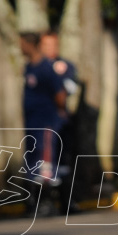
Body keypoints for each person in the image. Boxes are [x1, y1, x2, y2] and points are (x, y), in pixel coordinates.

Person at [20, 31, 67, 214]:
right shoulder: (29, 67)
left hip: (46, 123)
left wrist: (59, 112)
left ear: (30, 45)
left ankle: (48, 200)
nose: (20, 48)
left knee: (46, 162)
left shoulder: (47, 68)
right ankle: (32, 200)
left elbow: (60, 94)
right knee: (32, 161)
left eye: (22, 44)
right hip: (32, 123)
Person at [40, 32, 80, 213]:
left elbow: (70, 88)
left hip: (62, 121)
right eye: (46, 45)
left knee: (65, 162)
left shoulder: (65, 66)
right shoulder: (37, 67)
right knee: (46, 164)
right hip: (45, 123)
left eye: (53, 44)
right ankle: (44, 202)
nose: (50, 48)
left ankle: (67, 201)